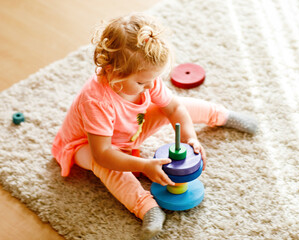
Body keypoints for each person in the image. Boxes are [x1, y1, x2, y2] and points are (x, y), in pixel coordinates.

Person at [51, 13, 257, 240]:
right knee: (107, 166)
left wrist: (190, 137)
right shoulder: (96, 101)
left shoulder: (147, 79)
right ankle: (146, 207)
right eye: (141, 82)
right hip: (88, 146)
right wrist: (143, 164)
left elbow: (175, 108)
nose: (150, 86)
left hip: (129, 131)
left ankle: (222, 116)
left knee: (176, 106)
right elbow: (102, 154)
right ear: (112, 71)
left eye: (153, 79)